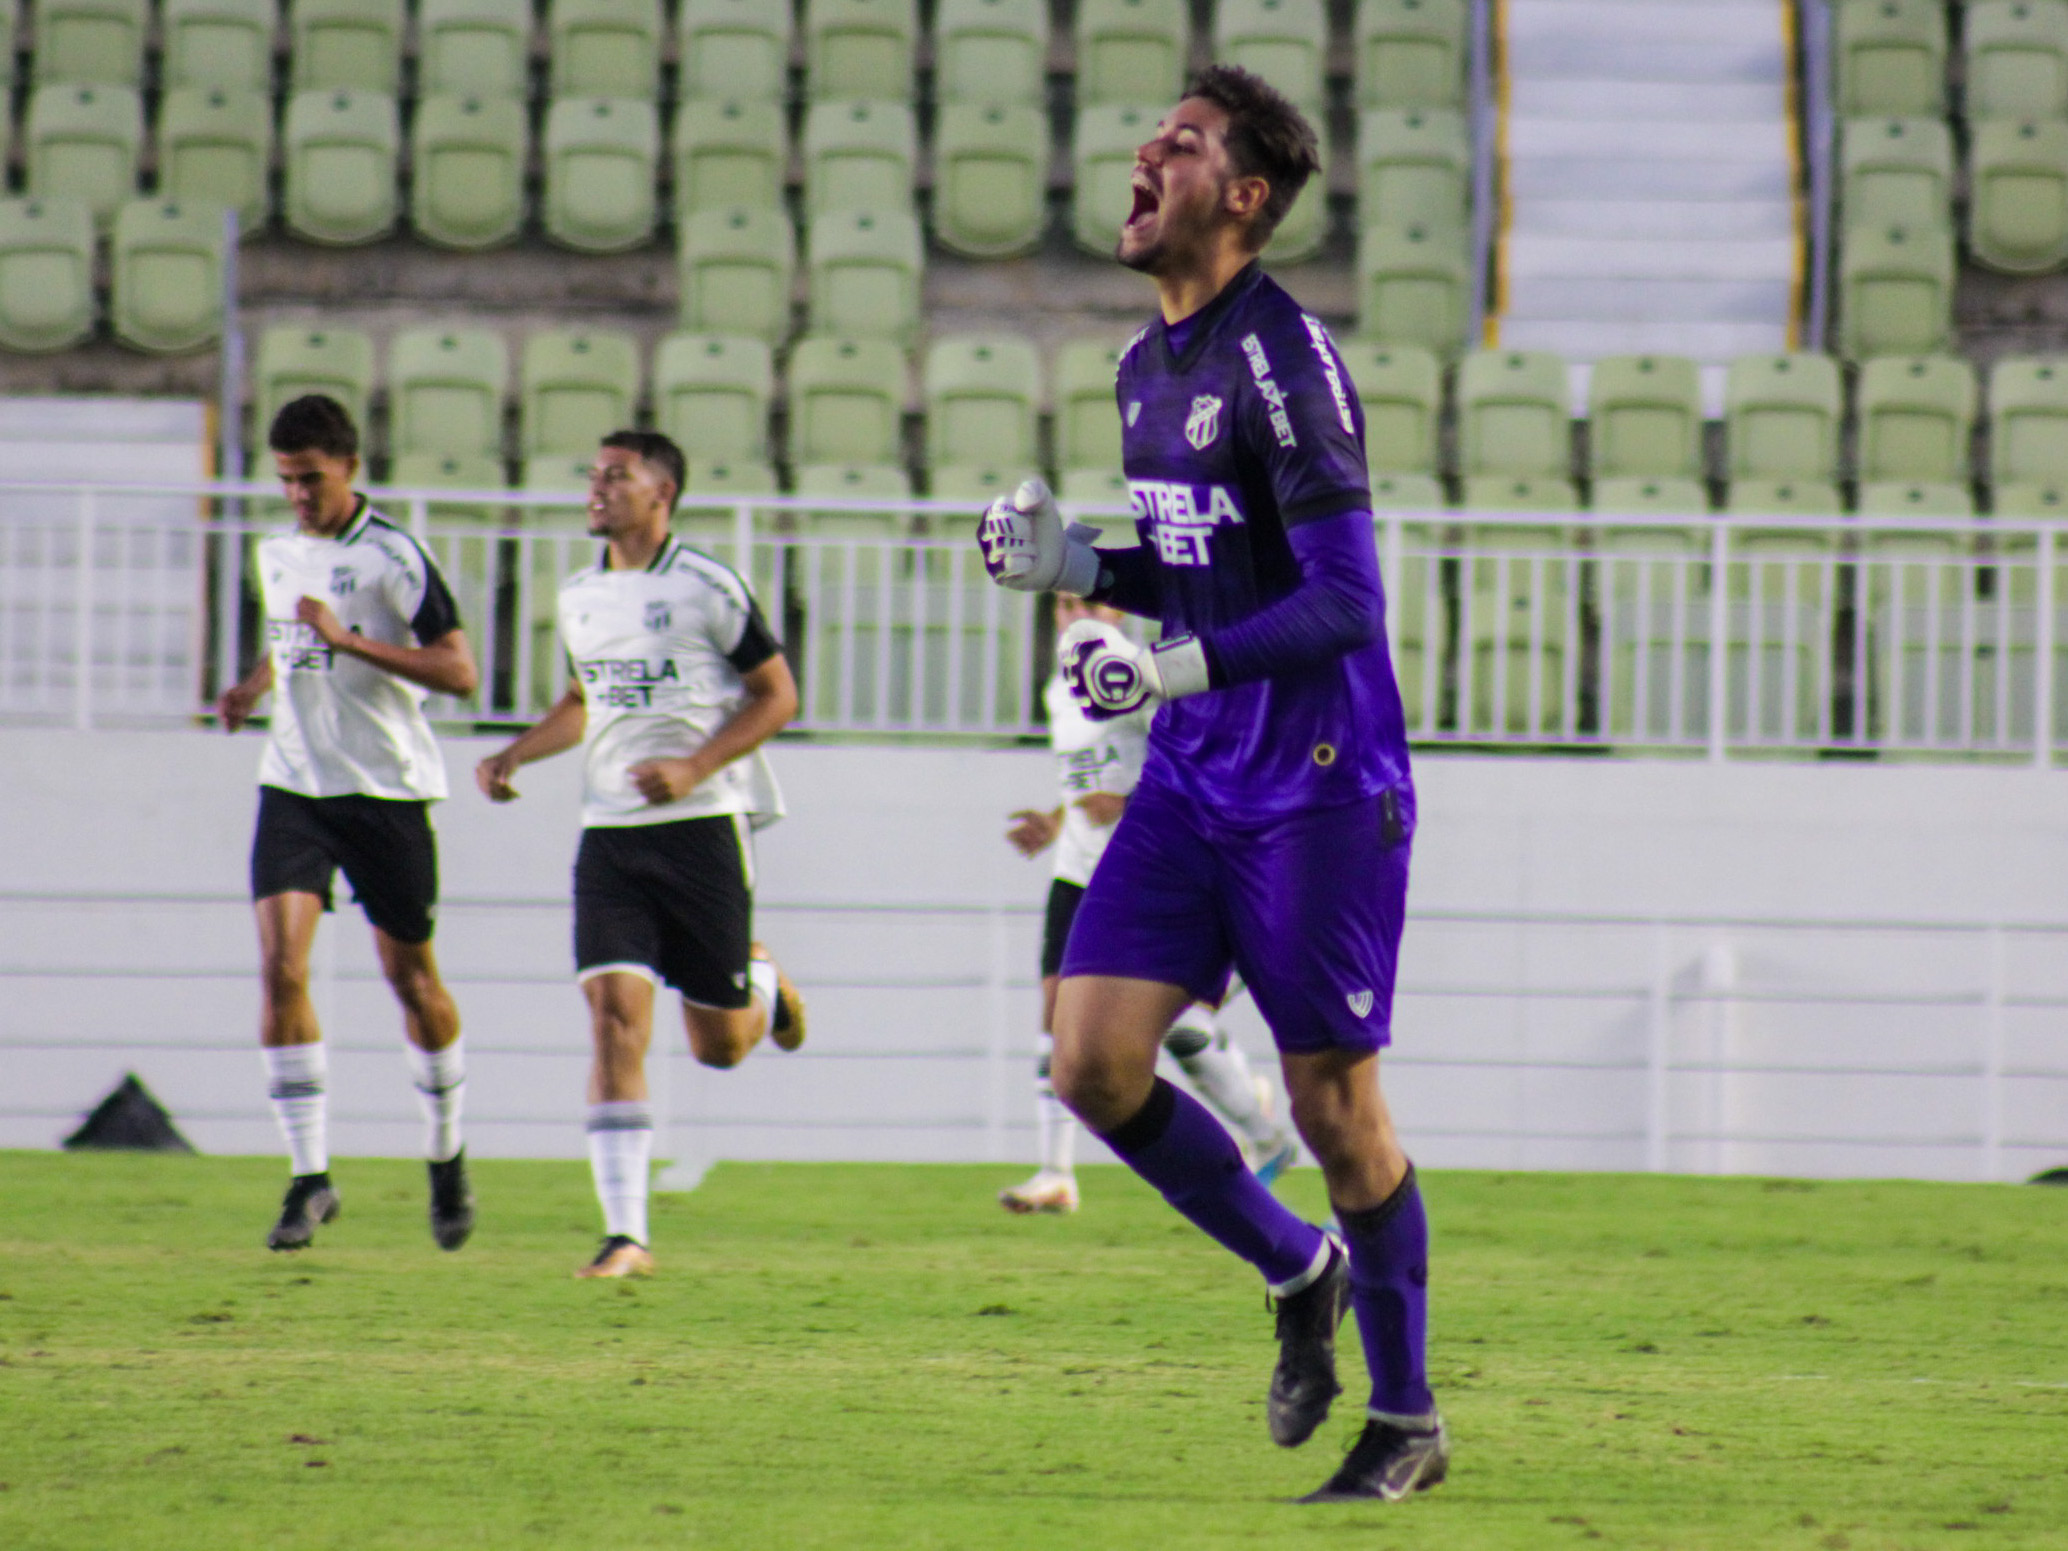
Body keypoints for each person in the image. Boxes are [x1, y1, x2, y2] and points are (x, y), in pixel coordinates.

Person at [975, 66, 1446, 1502]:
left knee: (1335, 1112)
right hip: (1194, 781)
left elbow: (1345, 601)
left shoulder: (1283, 359)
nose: (1145, 154)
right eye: (1151, 136)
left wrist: (1165, 673)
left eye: (1179, 144)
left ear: (1241, 197)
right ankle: (1298, 1269)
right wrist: (1074, 568)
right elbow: (1189, 562)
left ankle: (1409, 1417)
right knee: (1091, 1062)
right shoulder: (1143, 365)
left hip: (1315, 784)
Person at [475, 430, 805, 1280]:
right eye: (591, 475)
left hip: (701, 831)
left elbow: (779, 694)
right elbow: (584, 700)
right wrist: (515, 753)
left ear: (661, 492)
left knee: (721, 1046)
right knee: (615, 1016)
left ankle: (761, 979)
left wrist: (696, 764)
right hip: (610, 836)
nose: (595, 488)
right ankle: (627, 1235)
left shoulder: (707, 585)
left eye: (614, 477)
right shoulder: (580, 593)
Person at [218, 394, 480, 1255]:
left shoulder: (393, 556)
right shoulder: (276, 549)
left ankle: (445, 1151)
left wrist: (352, 642)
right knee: (281, 964)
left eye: (312, 478)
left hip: (387, 795)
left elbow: (460, 670)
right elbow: (291, 635)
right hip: (295, 785)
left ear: (350, 469)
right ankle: (310, 1176)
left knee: (412, 981)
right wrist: (256, 684)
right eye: (287, 479)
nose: (298, 495)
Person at [1001, 594, 1299, 1215]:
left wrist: (1130, 804)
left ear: (1119, 616)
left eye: (1089, 603)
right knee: (1057, 1019)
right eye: (1063, 604)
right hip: (1077, 872)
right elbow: (1087, 783)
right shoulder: (1059, 692)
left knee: (1180, 1024)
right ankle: (1056, 1172)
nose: (1074, 614)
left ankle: (1263, 1130)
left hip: (1147, 873)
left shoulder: (1134, 681)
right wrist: (1057, 822)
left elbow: (1190, 768)